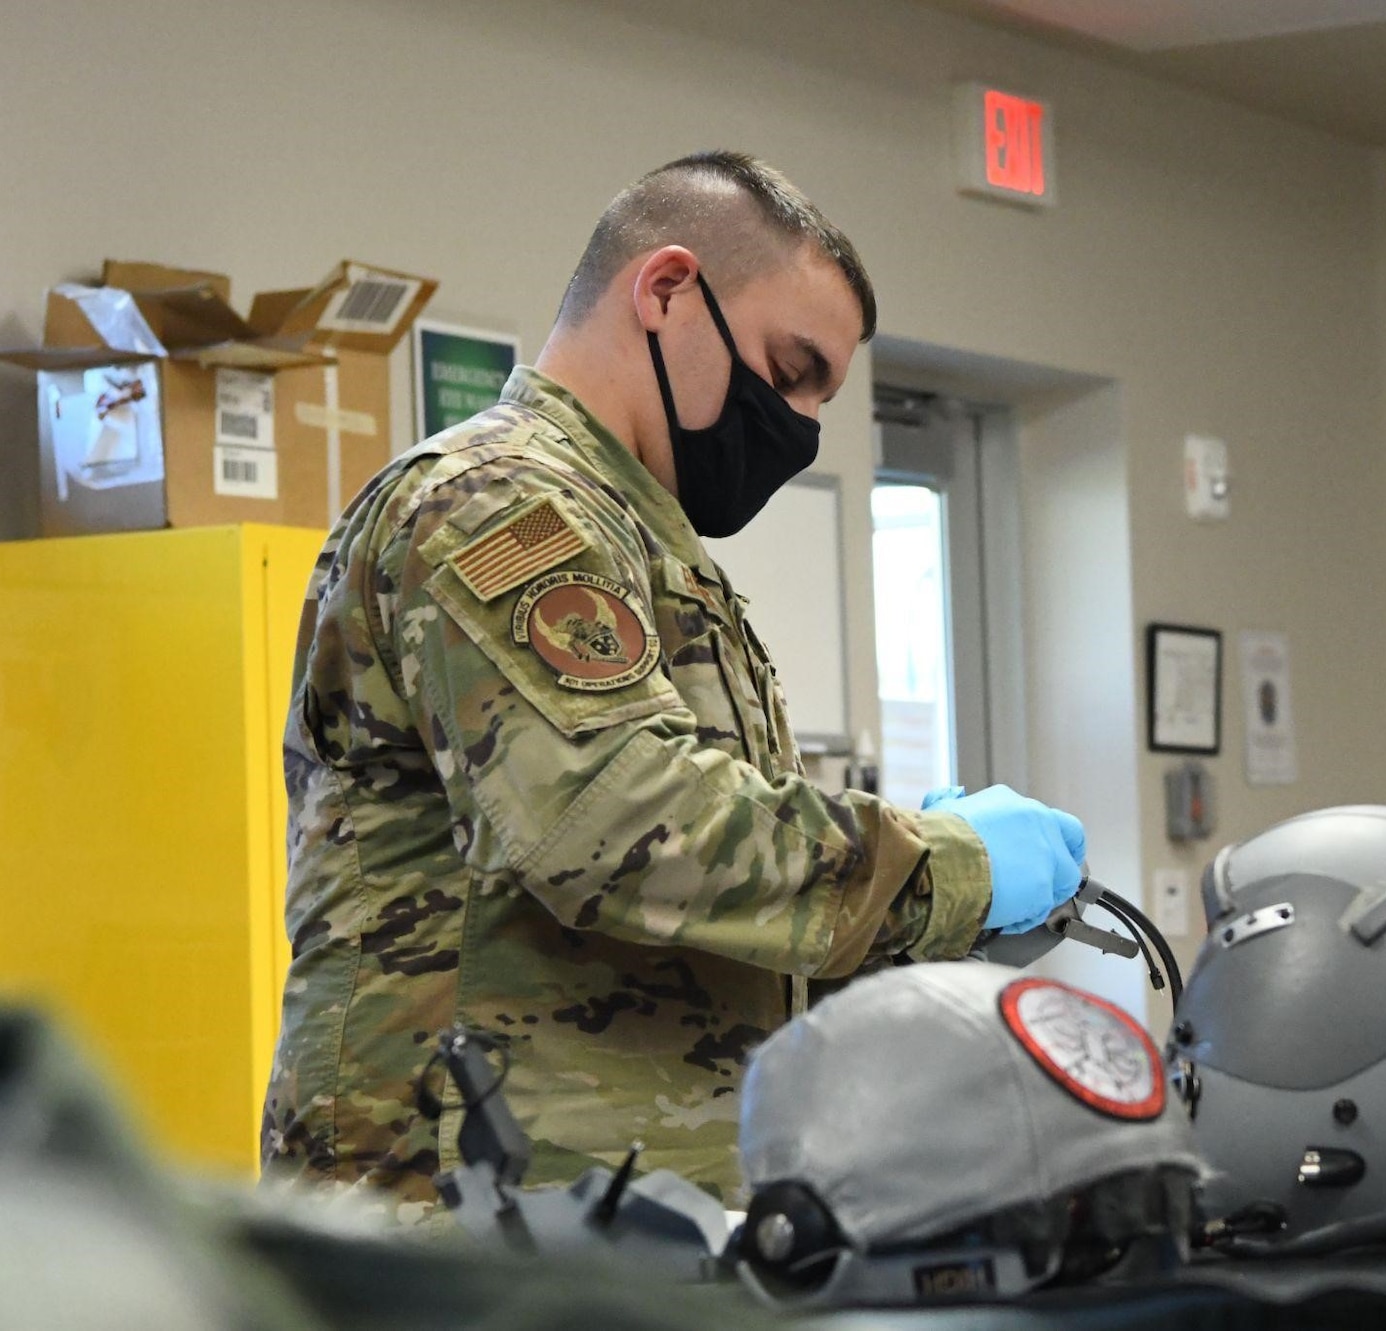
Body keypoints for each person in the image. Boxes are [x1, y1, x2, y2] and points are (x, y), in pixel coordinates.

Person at [261, 151, 1088, 1213]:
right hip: (457, 1212)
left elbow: (689, 900)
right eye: (789, 370)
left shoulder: (632, 539)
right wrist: (943, 865)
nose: (796, 423)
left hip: (616, 1208)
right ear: (663, 291)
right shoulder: (498, 501)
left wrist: (900, 896)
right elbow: (612, 823)